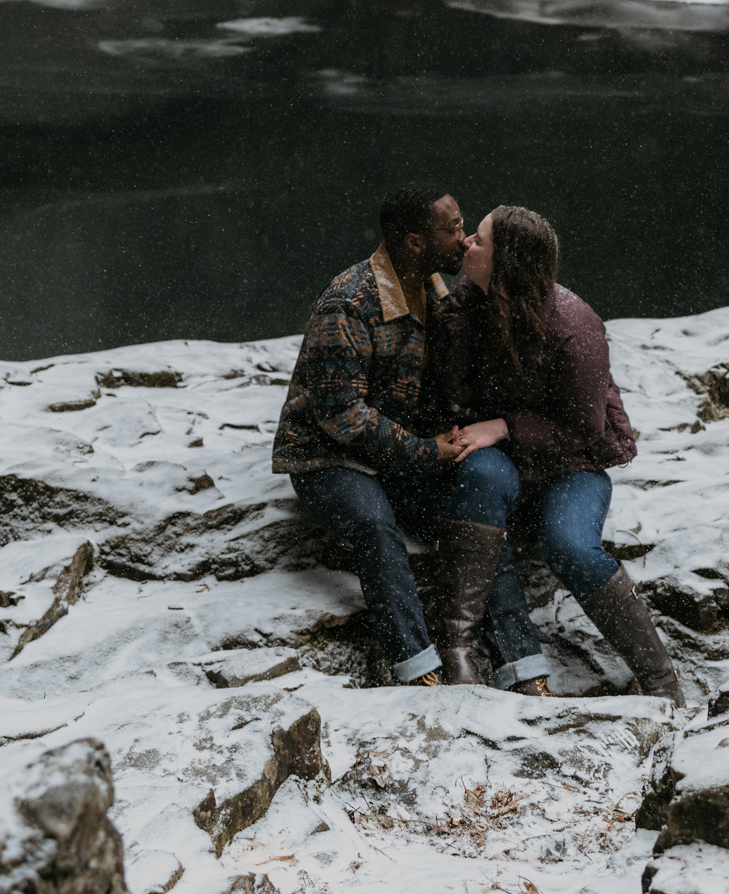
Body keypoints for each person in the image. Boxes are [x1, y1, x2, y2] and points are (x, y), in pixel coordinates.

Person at [272, 183, 551, 692]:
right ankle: (418, 671)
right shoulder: (348, 302)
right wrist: (426, 451)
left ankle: (523, 667)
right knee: (376, 526)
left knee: (478, 518)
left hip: (402, 459)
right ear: (416, 243)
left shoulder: (441, 296)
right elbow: (342, 415)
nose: (465, 240)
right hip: (330, 458)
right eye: (453, 229)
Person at [433, 203, 685, 705]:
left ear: (506, 264)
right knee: (478, 472)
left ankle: (659, 681)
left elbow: (586, 432)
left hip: (571, 467)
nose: (466, 243)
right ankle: (455, 650)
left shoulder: (575, 325)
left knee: (568, 544)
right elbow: (453, 395)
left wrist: (504, 426)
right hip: (500, 463)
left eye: (479, 240)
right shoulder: (469, 301)